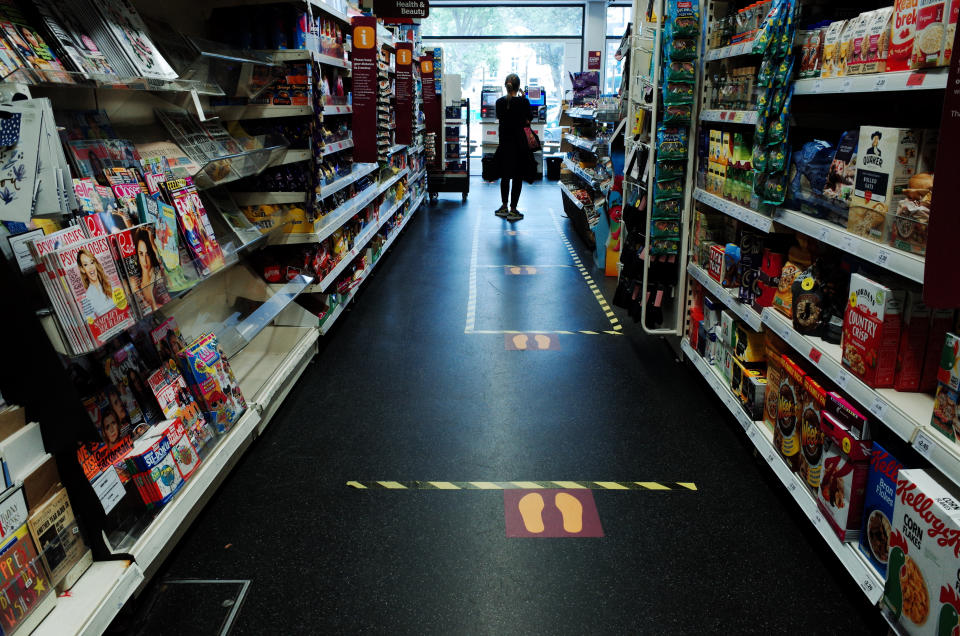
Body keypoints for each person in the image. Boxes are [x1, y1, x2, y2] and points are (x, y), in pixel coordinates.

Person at [493, 73, 534, 222]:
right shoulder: (524, 102)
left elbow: (500, 116)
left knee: (505, 176)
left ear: (506, 85)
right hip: (520, 145)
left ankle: (503, 207)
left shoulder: (499, 102)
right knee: (517, 177)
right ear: (518, 87)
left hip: (504, 144)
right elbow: (529, 118)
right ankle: (513, 210)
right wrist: (523, 97)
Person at [77, 248, 116, 318]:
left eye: (92, 263)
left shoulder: (109, 282)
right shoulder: (87, 297)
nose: (91, 268)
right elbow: (91, 323)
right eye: (86, 265)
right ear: (82, 269)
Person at [134, 227, 165, 311]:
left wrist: (151, 240)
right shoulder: (136, 282)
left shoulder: (157, 274)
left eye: (147, 254)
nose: (144, 259)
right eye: (141, 254)